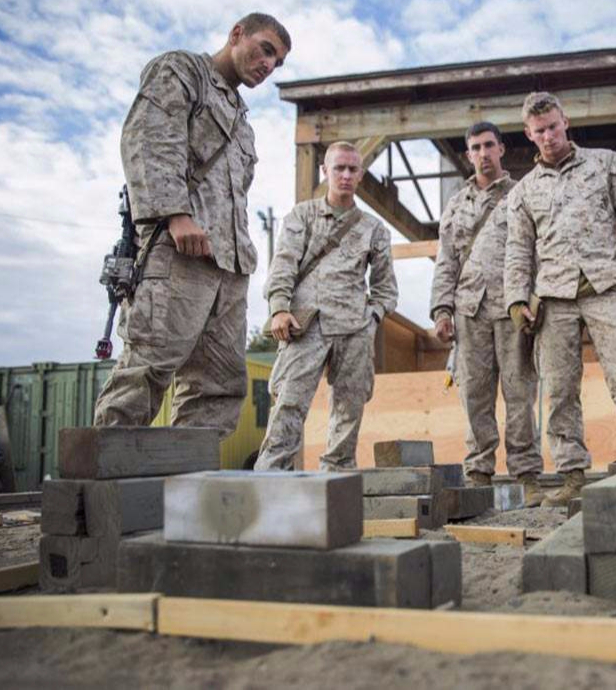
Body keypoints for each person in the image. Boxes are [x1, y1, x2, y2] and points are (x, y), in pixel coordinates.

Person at [94, 13, 291, 437]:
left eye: (278, 63)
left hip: (229, 268)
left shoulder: (241, 120)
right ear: (237, 34)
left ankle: (189, 490)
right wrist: (174, 214)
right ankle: (99, 492)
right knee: (147, 368)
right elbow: (148, 137)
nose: (269, 65)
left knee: (219, 387)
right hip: (179, 250)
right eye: (266, 50)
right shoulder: (183, 71)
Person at [504, 92, 616, 507]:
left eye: (553, 126)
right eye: (539, 131)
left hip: (606, 286)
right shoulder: (523, 192)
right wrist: (517, 299)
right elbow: (518, 249)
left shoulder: (608, 163)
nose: (548, 136)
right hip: (553, 297)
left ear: (565, 121)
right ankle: (572, 474)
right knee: (559, 388)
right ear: (528, 134)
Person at [255, 142, 398, 471]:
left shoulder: (374, 229)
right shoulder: (302, 215)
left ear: (360, 175)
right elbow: (284, 265)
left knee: (350, 409)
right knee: (289, 404)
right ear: (325, 171)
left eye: (352, 169)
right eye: (339, 168)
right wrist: (279, 308)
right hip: (307, 325)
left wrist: (371, 319)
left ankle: (336, 478)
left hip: (354, 328)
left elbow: (386, 288)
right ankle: (269, 478)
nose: (346, 175)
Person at [430, 122, 544, 505]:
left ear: (501, 149)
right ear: (468, 155)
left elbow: (537, 249)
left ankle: (526, 472)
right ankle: (478, 470)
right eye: (475, 147)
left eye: (489, 145)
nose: (482, 153)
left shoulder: (522, 194)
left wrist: (535, 299)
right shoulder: (456, 203)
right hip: (469, 309)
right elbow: (446, 259)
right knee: (474, 395)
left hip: (513, 307)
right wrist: (441, 309)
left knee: (519, 392)